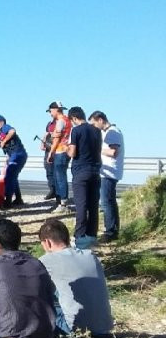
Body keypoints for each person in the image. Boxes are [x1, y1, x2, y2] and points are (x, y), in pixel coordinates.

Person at [37, 219, 114, 338]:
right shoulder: (91, 255)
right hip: (104, 329)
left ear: (47, 242)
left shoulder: (47, 261)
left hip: (74, 330)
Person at [66, 106, 102, 248]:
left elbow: (73, 153)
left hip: (81, 171)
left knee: (81, 205)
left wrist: (67, 149)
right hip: (95, 171)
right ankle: (92, 236)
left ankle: (79, 236)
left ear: (74, 118)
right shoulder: (97, 131)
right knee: (93, 205)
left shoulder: (76, 130)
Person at [88, 111, 124, 242]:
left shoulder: (112, 132)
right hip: (106, 172)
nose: (93, 127)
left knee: (106, 202)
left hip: (109, 173)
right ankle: (112, 230)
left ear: (100, 120)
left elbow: (113, 152)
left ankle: (110, 232)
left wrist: (95, 149)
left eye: (94, 123)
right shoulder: (108, 132)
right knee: (109, 201)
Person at [0, 115, 28, 207]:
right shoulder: (0, 135)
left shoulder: (5, 128)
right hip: (13, 155)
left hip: (18, 154)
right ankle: (18, 199)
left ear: (2, 122)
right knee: (13, 176)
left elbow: (12, 131)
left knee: (9, 176)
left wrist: (3, 141)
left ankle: (8, 201)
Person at [46, 101, 71, 212]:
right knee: (61, 176)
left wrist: (51, 152)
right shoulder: (68, 120)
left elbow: (56, 139)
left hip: (60, 151)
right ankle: (62, 202)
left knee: (59, 177)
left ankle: (63, 203)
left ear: (56, 109)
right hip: (67, 151)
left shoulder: (60, 121)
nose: (50, 113)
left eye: (51, 111)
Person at [42, 117, 58, 200]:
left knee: (56, 172)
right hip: (48, 149)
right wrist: (42, 143)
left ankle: (58, 193)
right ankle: (52, 190)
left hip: (57, 150)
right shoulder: (49, 123)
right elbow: (46, 134)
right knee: (49, 171)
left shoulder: (61, 123)